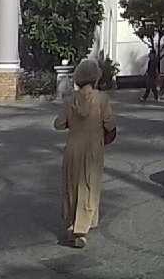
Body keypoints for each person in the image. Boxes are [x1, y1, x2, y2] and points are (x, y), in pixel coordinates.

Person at [54, 58, 116, 249]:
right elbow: (110, 125)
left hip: (72, 149)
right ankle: (81, 229)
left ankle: (72, 224)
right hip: (93, 149)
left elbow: (58, 124)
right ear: (95, 77)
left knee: (72, 186)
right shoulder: (102, 99)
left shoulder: (70, 100)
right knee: (89, 187)